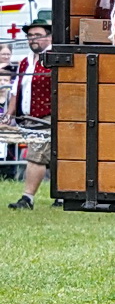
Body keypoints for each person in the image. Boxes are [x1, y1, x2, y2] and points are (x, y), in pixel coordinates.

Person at [4, 19, 53, 210]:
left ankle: (27, 198)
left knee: (36, 155)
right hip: (29, 116)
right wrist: (9, 113)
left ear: (49, 37)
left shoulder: (55, 57)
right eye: (30, 36)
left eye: (37, 35)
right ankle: (61, 197)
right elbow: (17, 89)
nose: (33, 40)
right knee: (54, 155)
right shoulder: (25, 61)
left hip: (49, 114)